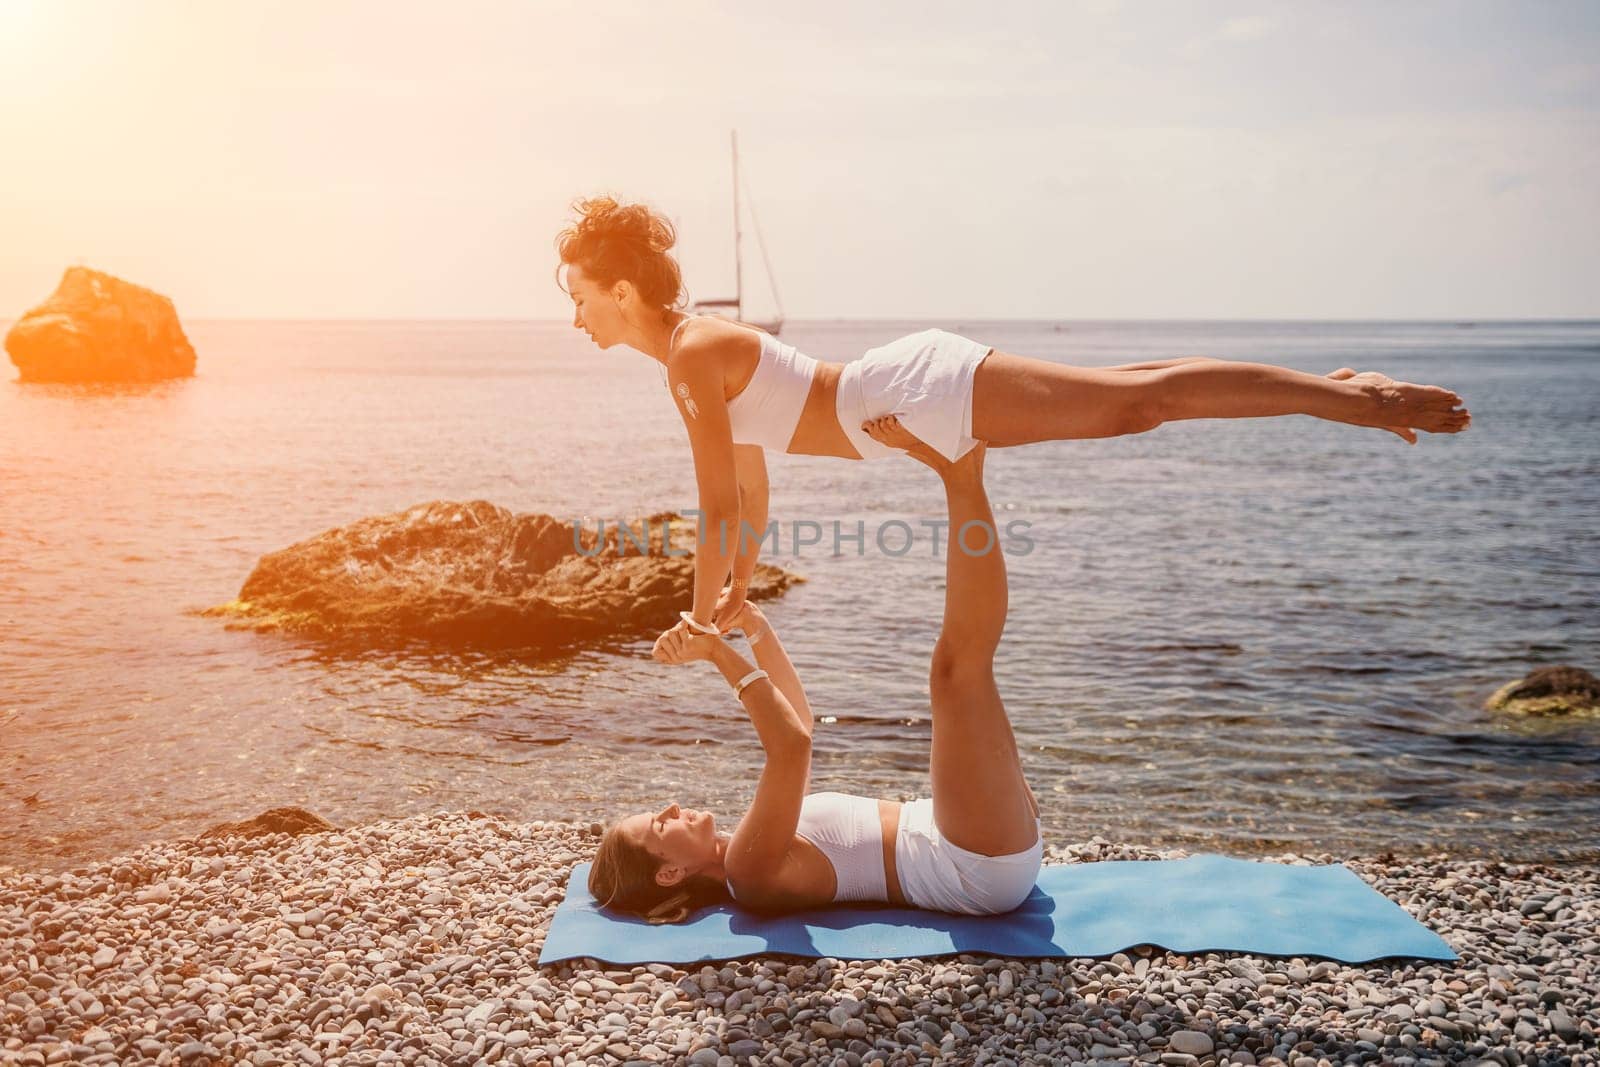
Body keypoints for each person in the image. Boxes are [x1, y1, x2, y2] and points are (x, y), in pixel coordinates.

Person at [554, 196, 1472, 637]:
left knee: (1135, 406)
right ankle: (1333, 384)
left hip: (913, 393)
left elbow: (716, 502)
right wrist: (731, 592)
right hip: (905, 398)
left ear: (623, 288)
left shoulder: (691, 356)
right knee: (1132, 391)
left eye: (582, 295)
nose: (577, 315)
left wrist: (699, 616)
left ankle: (1356, 400)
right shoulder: (694, 357)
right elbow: (749, 493)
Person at [587, 417, 1044, 922]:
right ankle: (958, 471)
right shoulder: (748, 873)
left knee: (962, 672)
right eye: (657, 826)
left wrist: (754, 625)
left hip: (969, 838)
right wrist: (716, 652)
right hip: (970, 865)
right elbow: (791, 748)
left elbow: (798, 722)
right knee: (956, 672)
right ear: (669, 873)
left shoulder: (749, 842)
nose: (670, 808)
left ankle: (962, 460)